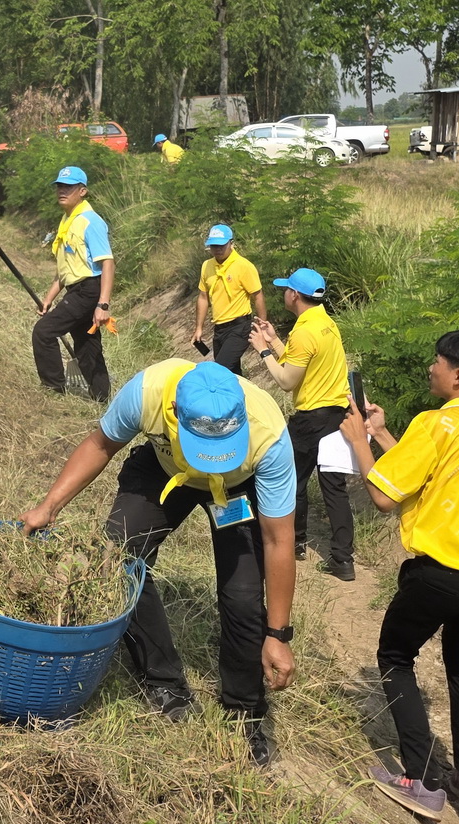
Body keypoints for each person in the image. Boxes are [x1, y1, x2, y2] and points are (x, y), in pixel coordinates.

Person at [23, 358, 298, 762]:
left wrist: (278, 635)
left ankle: (244, 711)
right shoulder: (147, 393)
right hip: (166, 470)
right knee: (119, 556)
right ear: (174, 414)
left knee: (242, 597)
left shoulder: (268, 435)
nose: (212, 460)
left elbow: (279, 540)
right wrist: (49, 506)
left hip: (236, 490)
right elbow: (100, 445)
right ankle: (163, 680)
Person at [340, 331, 459, 822]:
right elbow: (429, 477)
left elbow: (384, 498)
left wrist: (357, 443)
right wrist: (379, 434)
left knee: (395, 657)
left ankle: (418, 779)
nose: (432, 368)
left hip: (440, 572)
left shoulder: (435, 423)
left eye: (438, 362)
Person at [248, 269, 354, 581]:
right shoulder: (325, 323)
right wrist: (276, 340)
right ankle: (343, 560)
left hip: (312, 421)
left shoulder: (305, 331)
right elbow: (301, 363)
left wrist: (263, 349)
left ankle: (294, 543)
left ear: (294, 295)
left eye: (285, 290)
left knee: (291, 480)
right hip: (339, 414)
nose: (283, 294)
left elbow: (285, 380)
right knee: (335, 488)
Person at [32, 165, 113, 401]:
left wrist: (103, 305)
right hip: (76, 289)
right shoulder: (67, 220)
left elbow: (107, 263)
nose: (62, 191)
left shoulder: (90, 221)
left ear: (83, 191)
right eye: (59, 186)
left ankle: (53, 388)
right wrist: (48, 299)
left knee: (44, 332)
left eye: (68, 187)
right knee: (87, 346)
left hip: (88, 290)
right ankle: (101, 397)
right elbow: (64, 270)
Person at [191, 224, 265, 373]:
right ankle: (243, 395)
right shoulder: (207, 266)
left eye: (221, 245)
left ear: (231, 243)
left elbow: (258, 296)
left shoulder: (244, 266)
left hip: (240, 327)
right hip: (219, 329)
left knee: (219, 371)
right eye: (214, 246)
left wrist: (261, 325)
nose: (217, 249)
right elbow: (203, 297)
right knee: (232, 374)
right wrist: (199, 328)